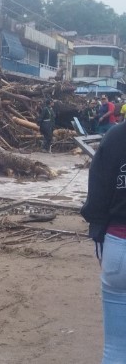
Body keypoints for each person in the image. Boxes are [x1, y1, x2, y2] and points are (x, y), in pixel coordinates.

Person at [80, 121, 126, 362]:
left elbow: (96, 196)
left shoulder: (116, 136)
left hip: (118, 247)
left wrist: (99, 235)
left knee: (116, 348)